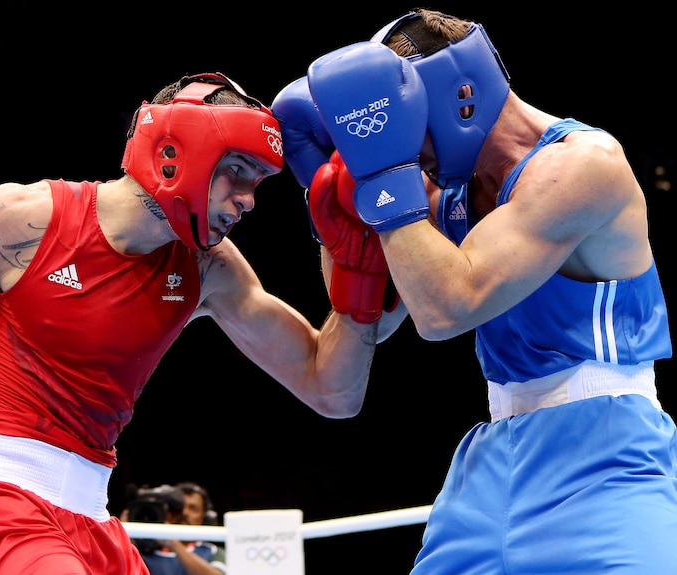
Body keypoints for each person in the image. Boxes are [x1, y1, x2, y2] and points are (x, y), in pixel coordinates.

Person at [0, 70, 409, 575]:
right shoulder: (23, 220)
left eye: (257, 182)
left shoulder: (207, 268)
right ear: (175, 152)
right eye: (237, 172)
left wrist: (361, 282)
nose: (249, 200)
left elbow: (331, 390)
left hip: (92, 520)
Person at [273, 8, 677, 574]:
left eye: (404, 120)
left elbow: (445, 311)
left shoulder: (584, 164)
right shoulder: (447, 197)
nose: (407, 147)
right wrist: (341, 223)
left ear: (462, 93)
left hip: (606, 454)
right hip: (492, 461)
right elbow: (380, 319)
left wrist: (381, 182)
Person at [124, 482, 226, 575]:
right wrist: (122, 536)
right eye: (178, 508)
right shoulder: (138, 550)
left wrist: (173, 542)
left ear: (205, 516)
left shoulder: (213, 551)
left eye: (193, 508)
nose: (184, 513)